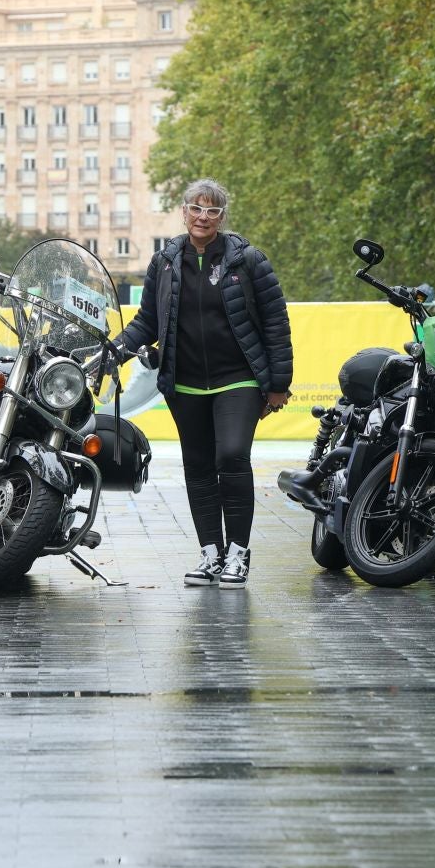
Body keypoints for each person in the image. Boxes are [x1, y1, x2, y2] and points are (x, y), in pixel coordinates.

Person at [111, 179, 292, 589]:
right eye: (196, 208)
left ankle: (238, 554)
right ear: (183, 211)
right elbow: (147, 321)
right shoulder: (165, 261)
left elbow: (276, 323)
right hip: (185, 382)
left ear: (222, 217)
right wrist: (116, 350)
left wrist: (278, 383)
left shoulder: (249, 260)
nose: (203, 217)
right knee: (197, 466)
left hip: (239, 379)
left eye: (212, 210)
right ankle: (211, 552)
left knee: (231, 455)